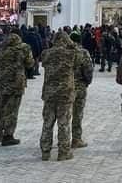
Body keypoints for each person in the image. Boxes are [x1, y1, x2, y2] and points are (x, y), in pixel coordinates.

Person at [0, 28, 34, 145]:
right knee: (12, 110)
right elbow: (30, 63)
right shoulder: (24, 47)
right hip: (16, 83)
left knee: (0, 108)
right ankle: (8, 135)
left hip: (1, 82)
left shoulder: (0, 46)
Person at [39, 31, 77, 161]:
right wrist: (72, 45)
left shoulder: (46, 53)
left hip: (49, 94)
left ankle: (45, 152)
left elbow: (43, 62)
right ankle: (63, 152)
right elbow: (78, 62)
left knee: (47, 123)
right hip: (65, 94)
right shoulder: (71, 54)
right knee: (64, 123)